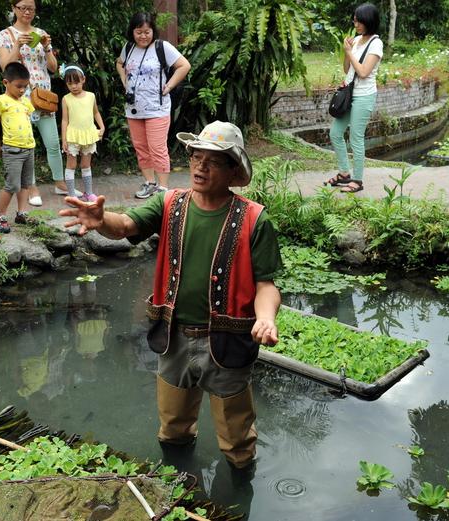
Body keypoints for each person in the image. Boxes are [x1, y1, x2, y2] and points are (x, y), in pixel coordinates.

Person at [60, 121, 283, 470]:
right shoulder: (170, 204)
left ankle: (239, 491)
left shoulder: (254, 219)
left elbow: (266, 285)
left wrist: (266, 318)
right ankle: (179, 485)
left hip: (228, 342)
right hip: (174, 338)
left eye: (213, 160)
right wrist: (102, 220)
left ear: (233, 170)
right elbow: (126, 226)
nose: (200, 166)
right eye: (196, 157)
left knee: (238, 440)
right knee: (173, 428)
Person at [0, 0, 72, 204]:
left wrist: (46, 46)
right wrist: (18, 45)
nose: (27, 12)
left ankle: (60, 182)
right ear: (13, 8)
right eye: (22, 8)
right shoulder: (6, 35)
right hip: (19, 98)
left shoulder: (41, 32)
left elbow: (53, 68)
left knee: (53, 144)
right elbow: (5, 66)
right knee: (26, 145)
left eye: (31, 8)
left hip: (43, 96)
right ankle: (31, 187)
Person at [117, 12, 190, 199]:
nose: (143, 36)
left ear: (153, 31)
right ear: (132, 32)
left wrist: (170, 86)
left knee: (157, 148)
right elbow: (119, 63)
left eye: (147, 31)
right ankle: (149, 183)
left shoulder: (162, 47)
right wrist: (124, 80)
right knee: (141, 148)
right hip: (134, 109)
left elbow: (184, 65)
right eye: (139, 32)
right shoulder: (128, 48)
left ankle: (163, 189)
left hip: (157, 108)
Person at [326, 2, 382, 193]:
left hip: (364, 96)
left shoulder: (376, 43)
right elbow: (347, 69)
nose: (355, 23)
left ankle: (357, 180)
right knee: (335, 133)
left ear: (369, 21)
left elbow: (364, 72)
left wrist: (350, 52)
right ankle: (344, 174)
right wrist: (347, 52)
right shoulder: (357, 40)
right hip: (349, 95)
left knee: (356, 138)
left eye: (359, 21)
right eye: (355, 20)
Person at [0, 62, 35, 234]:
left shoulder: (25, 101)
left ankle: (22, 213)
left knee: (26, 184)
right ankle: (0, 216)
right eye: (18, 86)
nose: (22, 90)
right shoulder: (0, 100)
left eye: (25, 86)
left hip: (29, 148)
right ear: (5, 83)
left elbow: (31, 118)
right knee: (11, 185)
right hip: (12, 150)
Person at [61, 64, 105, 202]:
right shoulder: (66, 99)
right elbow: (64, 120)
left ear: (83, 80)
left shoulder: (91, 96)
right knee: (71, 165)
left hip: (89, 135)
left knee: (86, 165)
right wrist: (64, 139)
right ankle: (72, 195)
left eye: (76, 82)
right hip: (73, 136)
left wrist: (102, 126)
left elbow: (96, 112)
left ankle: (88, 192)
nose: (74, 86)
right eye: (70, 83)